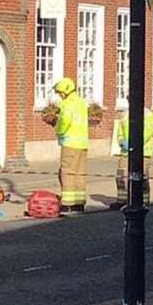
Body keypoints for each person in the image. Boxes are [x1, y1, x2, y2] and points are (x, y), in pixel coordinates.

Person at [49, 77, 90, 212]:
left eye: (60, 93)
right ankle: (79, 202)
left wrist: (57, 129)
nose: (60, 96)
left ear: (65, 92)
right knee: (80, 173)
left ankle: (67, 203)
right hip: (83, 144)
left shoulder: (67, 104)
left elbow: (65, 122)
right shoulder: (82, 103)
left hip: (70, 143)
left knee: (67, 172)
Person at [110, 104, 153, 207]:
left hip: (143, 152)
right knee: (120, 176)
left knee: (142, 178)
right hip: (126, 152)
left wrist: (135, 143)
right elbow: (119, 132)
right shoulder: (124, 114)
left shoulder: (148, 114)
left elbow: (148, 132)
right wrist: (122, 141)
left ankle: (144, 202)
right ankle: (122, 201)